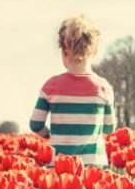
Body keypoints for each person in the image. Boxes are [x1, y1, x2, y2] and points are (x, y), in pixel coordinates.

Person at [29, 15, 116, 166]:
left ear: (64, 51)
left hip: (60, 164)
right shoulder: (103, 88)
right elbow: (109, 127)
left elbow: (35, 124)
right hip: (93, 164)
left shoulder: (51, 87)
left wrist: (51, 136)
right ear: (94, 51)